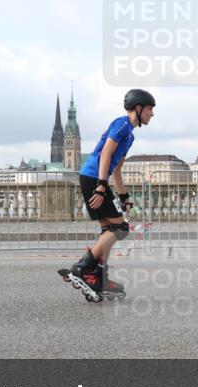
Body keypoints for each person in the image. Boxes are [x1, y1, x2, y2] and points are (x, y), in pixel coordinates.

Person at [59, 89, 156, 301]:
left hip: (97, 178)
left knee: (108, 232)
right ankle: (83, 267)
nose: (152, 114)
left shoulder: (129, 135)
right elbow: (105, 154)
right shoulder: (121, 124)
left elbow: (117, 171)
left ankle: (99, 277)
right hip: (94, 178)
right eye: (150, 109)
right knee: (120, 228)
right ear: (138, 108)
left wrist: (125, 199)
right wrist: (101, 186)